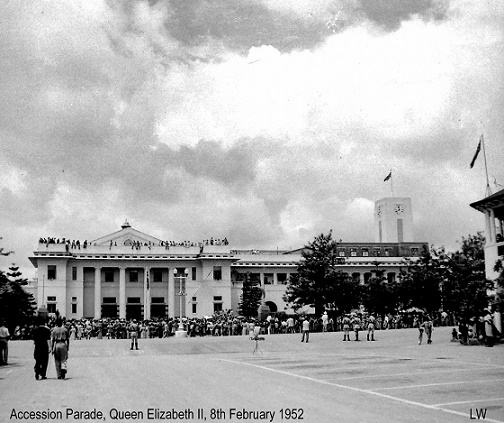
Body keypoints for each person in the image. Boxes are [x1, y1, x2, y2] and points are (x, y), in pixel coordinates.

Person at [32, 316, 51, 380]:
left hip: (37, 346)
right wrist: (50, 347)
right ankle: (43, 374)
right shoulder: (47, 330)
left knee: (38, 359)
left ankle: (37, 369)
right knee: (45, 360)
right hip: (44, 346)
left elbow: (33, 338)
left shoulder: (35, 330)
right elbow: (48, 339)